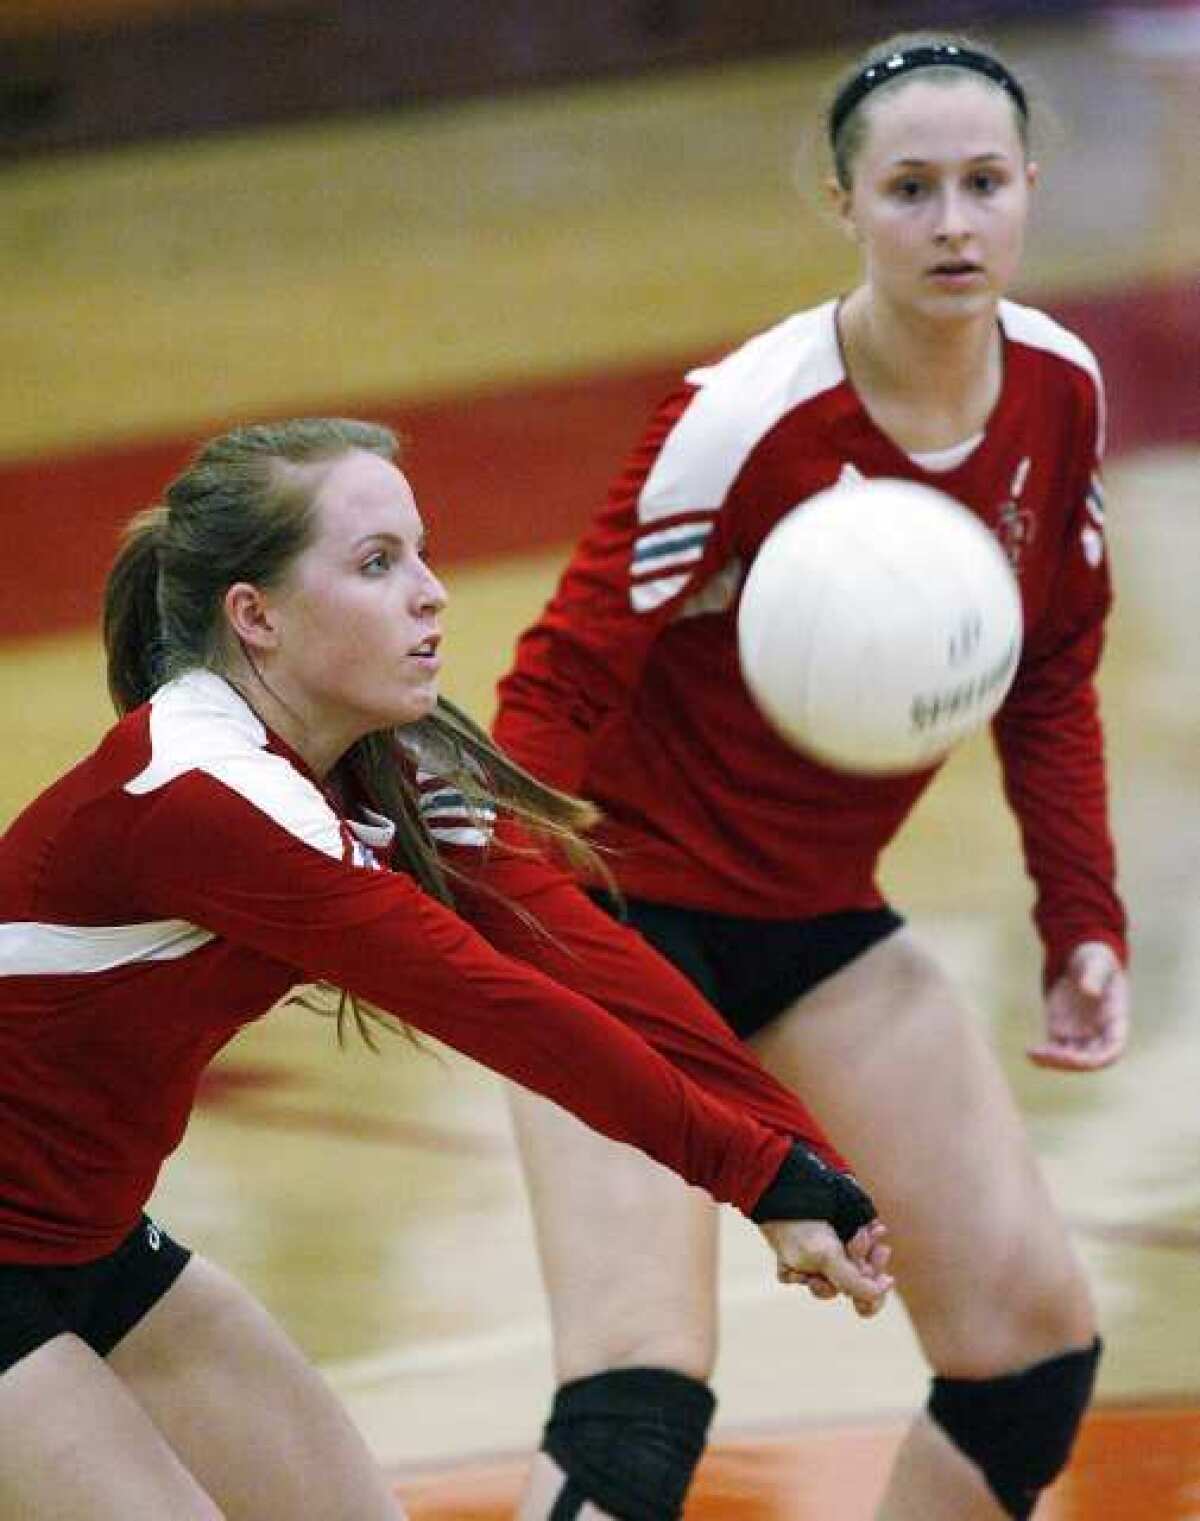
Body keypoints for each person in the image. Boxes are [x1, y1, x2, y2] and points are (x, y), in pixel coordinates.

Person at [0, 417, 895, 1520]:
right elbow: (496, 1006)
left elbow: (579, 955)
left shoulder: (376, 761)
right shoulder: (201, 794)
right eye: (379, 564)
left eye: (421, 553)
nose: (433, 592)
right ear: (257, 616)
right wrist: (753, 1174)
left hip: (85, 1237)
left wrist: (801, 1157)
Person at [494, 31, 1131, 1521]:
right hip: (618, 929)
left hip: (817, 922)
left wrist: (1080, 919)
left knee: (1029, 1350)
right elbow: (557, 683)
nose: (955, 223)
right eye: (912, 189)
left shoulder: (1060, 392)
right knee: (640, 1393)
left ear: (1032, 188)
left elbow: (1050, 671)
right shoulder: (745, 417)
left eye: (984, 184)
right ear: (844, 203)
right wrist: (519, 928)